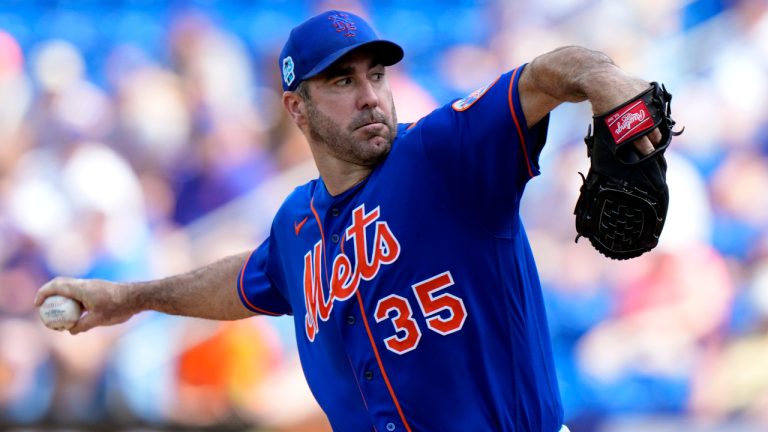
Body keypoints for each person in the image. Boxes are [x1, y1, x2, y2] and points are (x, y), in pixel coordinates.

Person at [35, 9, 665, 432]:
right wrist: (129, 297)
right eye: (341, 79)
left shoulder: (444, 152)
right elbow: (245, 283)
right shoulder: (295, 226)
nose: (369, 93)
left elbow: (548, 75)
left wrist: (601, 79)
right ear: (297, 108)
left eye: (376, 74)